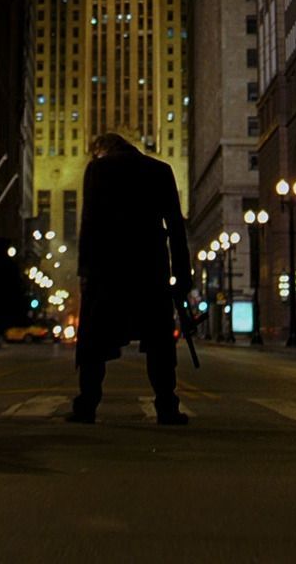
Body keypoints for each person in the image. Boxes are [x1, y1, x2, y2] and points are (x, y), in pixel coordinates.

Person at [68, 133, 192, 426]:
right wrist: (182, 277)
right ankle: (166, 406)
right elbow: (176, 226)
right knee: (159, 342)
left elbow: (89, 223)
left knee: (94, 342)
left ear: (101, 149)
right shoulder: (160, 170)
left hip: (107, 269)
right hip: (150, 268)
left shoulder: (98, 170)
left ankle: (87, 405)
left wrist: (84, 271)